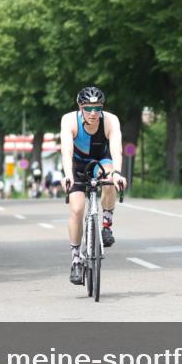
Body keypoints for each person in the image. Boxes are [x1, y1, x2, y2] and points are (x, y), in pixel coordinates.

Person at [61, 87, 127, 285]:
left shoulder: (111, 120)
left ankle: (106, 224)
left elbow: (116, 149)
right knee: (77, 209)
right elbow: (66, 151)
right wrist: (68, 175)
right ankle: (75, 259)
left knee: (109, 180)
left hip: (102, 160)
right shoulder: (69, 120)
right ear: (80, 106)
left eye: (97, 108)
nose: (92, 113)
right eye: (88, 108)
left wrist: (117, 173)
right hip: (77, 163)